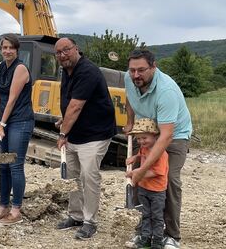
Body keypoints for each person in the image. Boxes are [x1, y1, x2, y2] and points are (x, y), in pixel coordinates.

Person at [123, 49, 192, 249]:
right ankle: (144, 230)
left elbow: (166, 136)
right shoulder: (130, 78)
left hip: (172, 135)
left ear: (154, 67)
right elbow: (129, 97)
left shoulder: (166, 91)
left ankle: (171, 235)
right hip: (146, 130)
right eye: (132, 70)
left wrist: (144, 170)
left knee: (167, 179)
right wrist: (129, 121)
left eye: (142, 70)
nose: (136, 75)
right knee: (137, 179)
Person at [54, 37, 116, 240]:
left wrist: (63, 133)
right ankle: (76, 215)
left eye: (66, 50)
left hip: (95, 134)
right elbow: (70, 103)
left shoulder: (87, 71)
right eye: (59, 53)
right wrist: (65, 120)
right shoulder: (66, 71)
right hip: (76, 133)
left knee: (88, 176)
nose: (63, 55)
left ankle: (90, 221)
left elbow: (76, 106)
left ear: (76, 49)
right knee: (71, 176)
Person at [0, 34, 35, 226]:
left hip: (20, 120)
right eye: (4, 47)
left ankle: (16, 210)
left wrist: (2, 124)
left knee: (15, 165)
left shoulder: (21, 68)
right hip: (7, 118)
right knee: (3, 164)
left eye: (11, 48)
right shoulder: (1, 66)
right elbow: (3, 90)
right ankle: (3, 206)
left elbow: (14, 98)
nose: (7, 51)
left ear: (17, 50)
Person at [126, 118, 169, 249]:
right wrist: (135, 157)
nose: (141, 141)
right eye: (138, 139)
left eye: (144, 138)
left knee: (156, 216)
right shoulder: (144, 148)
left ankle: (157, 240)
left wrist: (136, 173)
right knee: (145, 214)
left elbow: (157, 172)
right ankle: (145, 238)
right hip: (144, 188)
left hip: (157, 191)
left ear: (155, 136)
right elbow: (141, 154)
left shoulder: (160, 153)